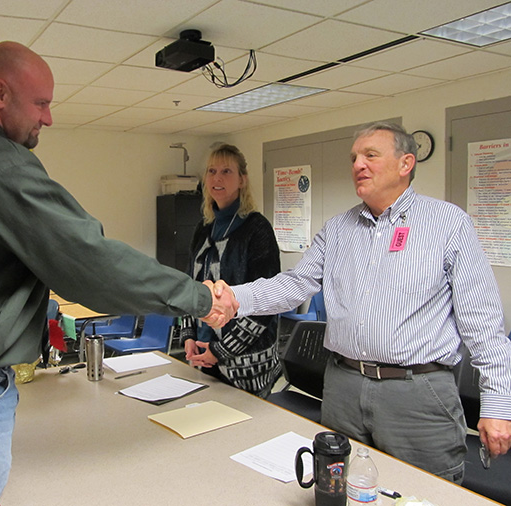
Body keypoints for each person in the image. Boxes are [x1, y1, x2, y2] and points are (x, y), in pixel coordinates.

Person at [0, 41, 235, 506]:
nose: (47, 118)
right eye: (41, 103)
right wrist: (201, 299)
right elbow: (91, 263)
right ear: (0, 93)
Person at [212, 122, 511, 482]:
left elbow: (483, 323)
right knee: (341, 487)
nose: (358, 164)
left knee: (425, 493)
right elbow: (294, 284)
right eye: (354, 157)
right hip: (343, 387)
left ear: (405, 164)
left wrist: (497, 403)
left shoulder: (448, 225)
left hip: (417, 393)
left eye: (371, 155)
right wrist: (234, 297)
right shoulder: (338, 229)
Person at [184, 144, 281, 398]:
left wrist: (220, 351)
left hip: (246, 366)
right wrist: (188, 336)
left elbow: (267, 303)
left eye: (226, 171)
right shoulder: (203, 228)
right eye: (212, 171)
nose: (217, 178)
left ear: (242, 180)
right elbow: (189, 287)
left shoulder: (257, 230)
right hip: (202, 355)